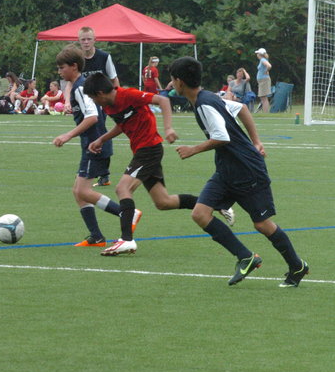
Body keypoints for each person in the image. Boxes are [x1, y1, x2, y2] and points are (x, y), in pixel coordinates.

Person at [170, 56, 308, 287]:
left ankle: (297, 266)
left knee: (262, 224)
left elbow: (222, 137)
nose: (171, 83)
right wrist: (256, 141)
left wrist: (193, 149)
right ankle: (245, 256)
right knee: (200, 214)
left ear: (180, 82)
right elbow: (242, 108)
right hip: (227, 170)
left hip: (246, 170)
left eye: (172, 79)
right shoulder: (206, 98)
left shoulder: (204, 103)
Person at [84, 71, 234, 256]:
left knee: (123, 188)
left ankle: (126, 240)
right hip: (141, 150)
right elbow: (122, 124)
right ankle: (217, 204)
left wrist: (168, 128)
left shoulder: (128, 95)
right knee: (163, 202)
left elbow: (163, 101)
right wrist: (102, 139)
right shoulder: (109, 106)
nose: (94, 102)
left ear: (100, 93)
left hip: (149, 149)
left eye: (93, 98)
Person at [52, 45, 135, 248]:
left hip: (95, 145)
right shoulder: (79, 86)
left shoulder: (81, 87)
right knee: (78, 191)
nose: (59, 71)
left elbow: (92, 117)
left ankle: (127, 214)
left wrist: (67, 135)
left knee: (83, 191)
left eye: (62, 67)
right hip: (91, 145)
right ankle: (96, 236)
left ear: (74, 66)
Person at [76, 26, 119, 188]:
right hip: (83, 104)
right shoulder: (77, 59)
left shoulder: (104, 57)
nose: (86, 42)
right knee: (88, 135)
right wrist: (67, 101)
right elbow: (70, 81)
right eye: (83, 39)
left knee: (97, 133)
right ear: (79, 41)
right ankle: (93, 171)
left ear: (95, 40)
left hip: (101, 102)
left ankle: (100, 173)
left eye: (89, 39)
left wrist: (117, 99)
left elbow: (114, 79)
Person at [255, 48, 272, 112]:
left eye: (258, 53)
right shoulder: (263, 60)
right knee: (263, 97)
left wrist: (266, 71)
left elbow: (269, 66)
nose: (257, 54)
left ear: (260, 54)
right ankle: (265, 112)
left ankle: (266, 112)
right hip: (262, 80)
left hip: (264, 80)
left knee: (263, 97)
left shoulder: (262, 59)